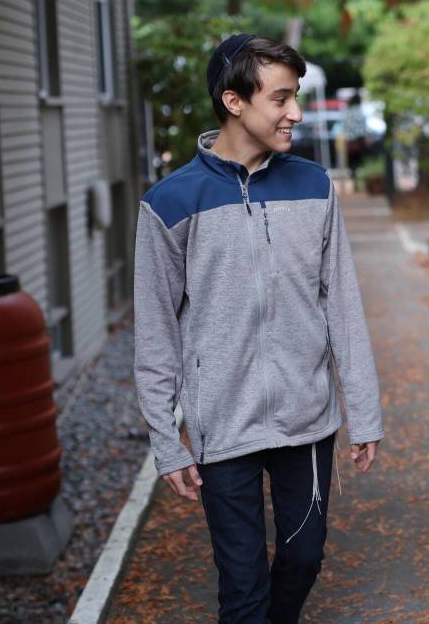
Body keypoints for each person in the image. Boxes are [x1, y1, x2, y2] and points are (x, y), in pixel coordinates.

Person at [133, 34, 384, 623]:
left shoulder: (314, 186)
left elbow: (343, 304)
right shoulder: (170, 202)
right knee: (242, 588)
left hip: (306, 418)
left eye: (295, 96)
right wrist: (166, 441)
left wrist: (364, 411)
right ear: (234, 101)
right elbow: (156, 331)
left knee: (304, 558)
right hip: (222, 424)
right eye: (280, 98)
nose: (295, 112)